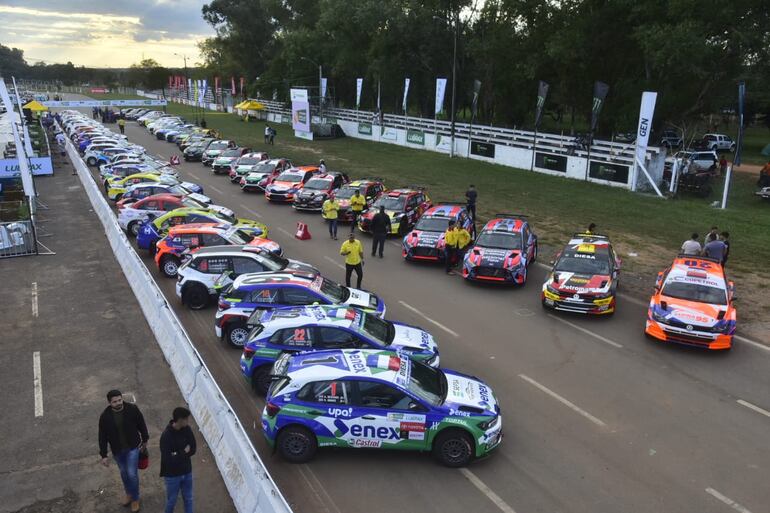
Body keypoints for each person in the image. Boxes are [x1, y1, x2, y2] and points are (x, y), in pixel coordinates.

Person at [98, 390, 149, 513]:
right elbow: (102, 436)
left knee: (132, 474)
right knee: (124, 473)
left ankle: (135, 498)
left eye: (119, 400)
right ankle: (129, 494)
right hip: (118, 451)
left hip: (133, 448)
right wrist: (104, 455)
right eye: (114, 402)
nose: (118, 403)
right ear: (109, 403)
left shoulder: (132, 409)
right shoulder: (105, 417)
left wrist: (145, 439)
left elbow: (141, 424)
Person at [160, 407, 196, 513]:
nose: (188, 421)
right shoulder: (166, 436)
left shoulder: (187, 429)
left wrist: (176, 454)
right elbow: (168, 460)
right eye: (186, 419)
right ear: (180, 420)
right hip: (172, 475)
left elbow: (193, 449)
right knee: (172, 501)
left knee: (189, 499)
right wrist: (184, 452)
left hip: (186, 471)